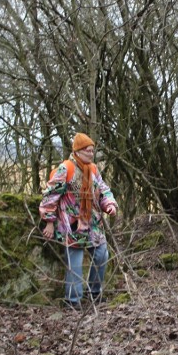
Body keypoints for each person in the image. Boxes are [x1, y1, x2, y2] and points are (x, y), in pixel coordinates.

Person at [40, 133, 118, 310]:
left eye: (92, 150)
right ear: (78, 151)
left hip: (93, 224)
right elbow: (50, 195)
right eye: (88, 151)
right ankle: (73, 302)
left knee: (102, 255)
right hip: (71, 225)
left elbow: (103, 190)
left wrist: (110, 205)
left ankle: (95, 294)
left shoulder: (93, 169)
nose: (91, 154)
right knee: (75, 264)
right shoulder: (65, 169)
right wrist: (49, 221)